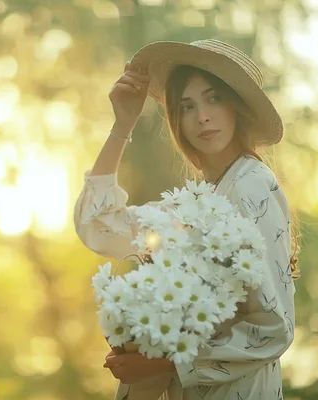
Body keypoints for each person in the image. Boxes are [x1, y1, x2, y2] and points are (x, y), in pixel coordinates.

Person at [73, 39, 301, 400]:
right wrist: (123, 125)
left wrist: (165, 364)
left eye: (213, 99)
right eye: (186, 106)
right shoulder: (192, 203)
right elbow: (99, 224)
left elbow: (274, 328)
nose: (202, 116)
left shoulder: (252, 183)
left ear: (237, 108)